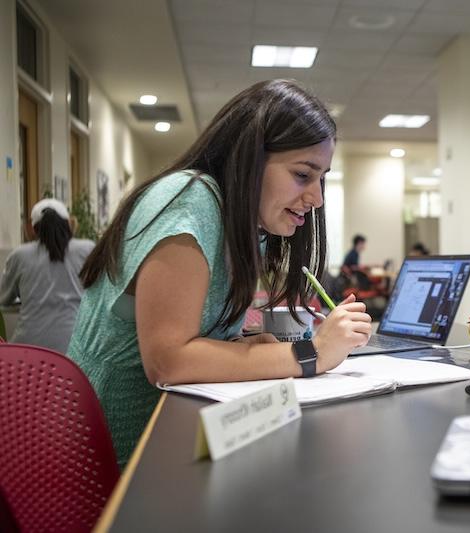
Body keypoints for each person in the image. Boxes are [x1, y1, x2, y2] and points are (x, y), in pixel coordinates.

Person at [68, 79, 372, 466]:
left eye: (322, 178)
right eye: (302, 175)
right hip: (118, 448)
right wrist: (311, 353)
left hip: (178, 431)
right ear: (250, 159)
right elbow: (168, 361)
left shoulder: (243, 226)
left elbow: (195, 337)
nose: (317, 198)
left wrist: (243, 347)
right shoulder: (189, 203)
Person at [0, 199, 95, 352]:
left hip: (28, 350)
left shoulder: (20, 255)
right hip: (76, 348)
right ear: (68, 224)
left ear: (33, 229)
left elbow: (3, 298)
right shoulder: (87, 249)